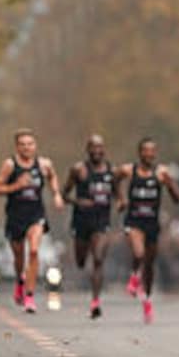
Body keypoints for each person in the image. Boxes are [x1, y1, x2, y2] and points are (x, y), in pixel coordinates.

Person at [0, 129, 64, 314]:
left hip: (35, 215)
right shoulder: (10, 165)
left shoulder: (43, 164)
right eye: (22, 144)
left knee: (33, 251)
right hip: (16, 216)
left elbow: (53, 176)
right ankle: (20, 281)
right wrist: (16, 186)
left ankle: (30, 297)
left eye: (30, 144)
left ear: (35, 145)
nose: (27, 148)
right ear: (17, 147)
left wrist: (56, 195)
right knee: (19, 258)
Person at [115, 138, 179, 324]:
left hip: (152, 223)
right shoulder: (129, 170)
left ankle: (147, 300)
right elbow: (115, 179)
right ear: (139, 152)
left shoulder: (160, 173)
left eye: (152, 151)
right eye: (145, 150)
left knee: (150, 265)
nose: (149, 154)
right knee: (139, 252)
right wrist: (120, 199)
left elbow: (178, 198)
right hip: (134, 221)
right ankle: (134, 276)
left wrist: (169, 183)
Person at [62, 135, 120, 319]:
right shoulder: (78, 170)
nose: (97, 151)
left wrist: (121, 203)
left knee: (98, 258)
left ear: (104, 150)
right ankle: (83, 256)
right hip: (81, 222)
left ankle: (95, 301)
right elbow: (64, 194)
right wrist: (77, 201)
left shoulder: (112, 171)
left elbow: (119, 195)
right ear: (87, 150)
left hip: (101, 221)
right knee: (81, 261)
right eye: (93, 147)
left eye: (100, 147)